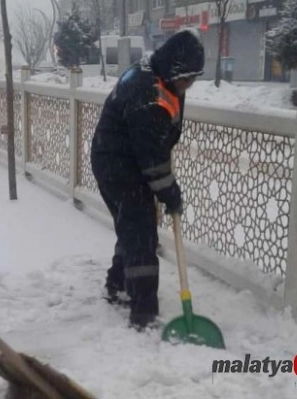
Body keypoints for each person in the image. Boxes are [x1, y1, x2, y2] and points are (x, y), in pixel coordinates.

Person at [91, 29, 205, 330]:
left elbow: (155, 148)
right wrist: (170, 193)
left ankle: (118, 285)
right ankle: (143, 314)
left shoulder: (158, 76)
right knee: (141, 235)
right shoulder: (149, 96)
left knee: (133, 226)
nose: (189, 85)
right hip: (120, 166)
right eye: (187, 78)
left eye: (194, 78)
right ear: (173, 69)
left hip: (119, 159)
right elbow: (152, 160)